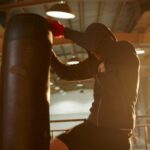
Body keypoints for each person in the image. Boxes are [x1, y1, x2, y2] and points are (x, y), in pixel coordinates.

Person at [49, 21, 140, 150]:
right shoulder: (93, 63)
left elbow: (97, 46)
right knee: (56, 146)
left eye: (93, 45)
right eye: (90, 50)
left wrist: (65, 32)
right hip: (93, 126)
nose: (93, 52)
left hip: (117, 131)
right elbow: (66, 73)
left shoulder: (125, 51)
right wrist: (47, 49)